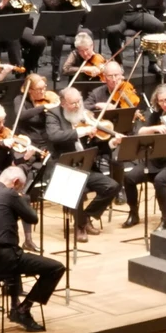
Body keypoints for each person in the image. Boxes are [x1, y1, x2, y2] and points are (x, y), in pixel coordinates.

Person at [0, 167, 64, 332]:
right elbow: (33, 218)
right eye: (20, 187)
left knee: (15, 252)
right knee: (56, 268)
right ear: (15, 183)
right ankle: (23, 309)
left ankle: (15, 306)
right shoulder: (10, 195)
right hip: (6, 259)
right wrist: (21, 199)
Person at [43, 87, 121, 242]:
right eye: (73, 103)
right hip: (64, 169)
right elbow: (54, 136)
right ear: (63, 103)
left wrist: (112, 142)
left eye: (79, 101)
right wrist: (82, 132)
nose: (78, 106)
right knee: (76, 189)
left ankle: (85, 217)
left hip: (85, 167)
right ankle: (80, 227)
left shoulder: (84, 116)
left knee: (112, 186)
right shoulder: (53, 115)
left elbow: (98, 146)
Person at [122, 84, 166, 231]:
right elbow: (140, 131)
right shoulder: (158, 114)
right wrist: (154, 128)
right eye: (161, 101)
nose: (164, 104)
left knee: (160, 180)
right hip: (156, 160)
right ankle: (133, 213)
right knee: (129, 178)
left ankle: (165, 220)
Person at [41, 0, 82, 83]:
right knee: (59, 39)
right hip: (54, 24)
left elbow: (78, 7)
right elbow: (53, 7)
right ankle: (55, 69)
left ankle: (77, 66)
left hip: (69, 23)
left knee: (86, 33)